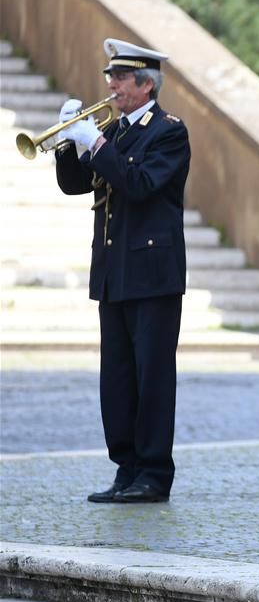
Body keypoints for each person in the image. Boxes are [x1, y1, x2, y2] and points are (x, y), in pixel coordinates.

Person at [55, 39, 190, 503]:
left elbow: (138, 184)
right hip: (114, 273)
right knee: (116, 378)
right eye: (110, 77)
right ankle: (125, 468)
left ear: (146, 84)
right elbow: (75, 186)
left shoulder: (169, 132)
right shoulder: (115, 132)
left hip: (153, 275)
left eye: (121, 78)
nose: (111, 85)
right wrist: (66, 143)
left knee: (152, 376)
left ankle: (153, 474)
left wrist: (95, 141)